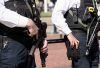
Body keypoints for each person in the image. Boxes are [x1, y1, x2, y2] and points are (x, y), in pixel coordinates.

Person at [0, 0, 48, 68]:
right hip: (9, 48)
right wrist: (28, 22)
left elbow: (33, 14)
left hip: (28, 49)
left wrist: (41, 38)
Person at [51, 0, 99, 68]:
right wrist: (69, 34)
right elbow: (56, 15)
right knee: (82, 65)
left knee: (94, 64)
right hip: (77, 36)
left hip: (92, 36)